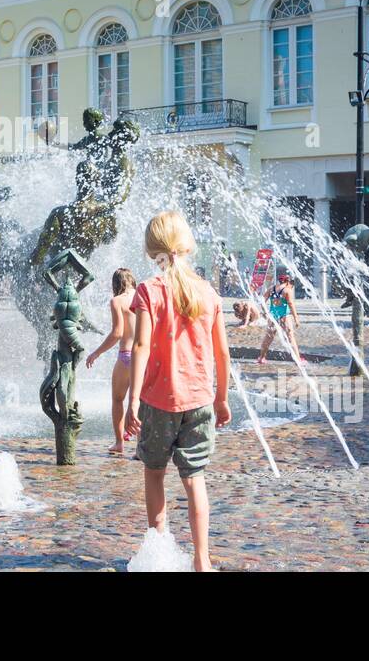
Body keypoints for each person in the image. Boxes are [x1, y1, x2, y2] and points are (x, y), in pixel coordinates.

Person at [124, 210, 231, 573]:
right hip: (200, 400)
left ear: (151, 250)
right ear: (187, 246)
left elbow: (140, 347)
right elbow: (223, 353)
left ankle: (161, 555)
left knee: (154, 473)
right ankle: (202, 560)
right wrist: (222, 398)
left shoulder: (149, 290)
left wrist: (131, 402)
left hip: (158, 401)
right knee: (194, 479)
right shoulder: (207, 292)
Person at [85, 268, 138, 455]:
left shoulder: (117, 301)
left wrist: (96, 353)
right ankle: (142, 446)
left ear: (116, 284)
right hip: (144, 356)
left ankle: (119, 443)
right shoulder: (144, 297)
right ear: (132, 280)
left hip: (126, 356)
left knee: (118, 399)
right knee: (139, 400)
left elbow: (117, 333)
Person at [257, 273, 300, 364]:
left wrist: (265, 312)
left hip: (273, 316)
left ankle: (261, 357)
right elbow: (291, 304)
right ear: (287, 281)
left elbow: (262, 301)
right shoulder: (287, 290)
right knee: (290, 337)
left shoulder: (271, 289)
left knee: (268, 337)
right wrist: (296, 318)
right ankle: (298, 360)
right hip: (284, 316)